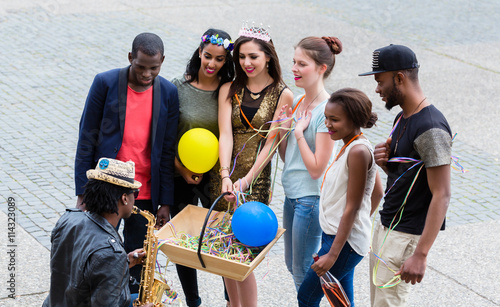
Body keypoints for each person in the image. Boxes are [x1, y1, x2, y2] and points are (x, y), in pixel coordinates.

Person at [74, 32, 179, 293]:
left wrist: (165, 201)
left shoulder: (168, 92)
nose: (146, 74)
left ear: (163, 61)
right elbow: (86, 137)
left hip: (144, 192)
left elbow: (167, 151)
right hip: (106, 187)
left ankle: (131, 299)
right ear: (131, 57)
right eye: (140, 66)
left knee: (139, 260)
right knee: (95, 254)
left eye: (153, 68)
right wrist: (82, 191)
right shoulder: (105, 83)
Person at [359, 44, 452, 306]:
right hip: (386, 228)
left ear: (399, 78)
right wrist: (386, 164)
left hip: (405, 237)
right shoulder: (402, 117)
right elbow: (411, 178)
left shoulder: (431, 127)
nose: (377, 88)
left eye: (380, 81)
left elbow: (442, 194)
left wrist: (420, 254)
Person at [212, 24, 294, 307]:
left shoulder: (284, 94)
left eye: (254, 57)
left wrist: (246, 180)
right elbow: (225, 133)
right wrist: (225, 174)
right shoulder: (229, 88)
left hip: (255, 181)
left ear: (268, 57)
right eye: (242, 57)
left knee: (243, 256)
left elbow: (272, 144)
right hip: (223, 178)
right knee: (224, 253)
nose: (246, 63)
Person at [297, 88, 384, 307]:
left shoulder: (358, 152)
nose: (327, 124)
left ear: (354, 119)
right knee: (342, 302)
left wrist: (333, 255)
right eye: (326, 117)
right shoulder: (351, 145)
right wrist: (359, 221)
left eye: (334, 119)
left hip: (343, 243)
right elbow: (377, 192)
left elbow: (353, 207)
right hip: (340, 238)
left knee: (307, 297)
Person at [170, 28, 235, 307]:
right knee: (183, 241)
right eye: (208, 56)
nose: (212, 64)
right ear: (199, 53)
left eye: (219, 59)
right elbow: (164, 136)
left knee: (223, 240)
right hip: (179, 176)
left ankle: (231, 298)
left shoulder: (228, 90)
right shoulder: (177, 87)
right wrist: (181, 169)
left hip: (215, 178)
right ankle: (192, 301)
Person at [277, 36, 341, 291]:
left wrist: (299, 133)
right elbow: (288, 157)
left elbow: (316, 169)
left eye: (302, 64)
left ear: (321, 68)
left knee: (303, 270)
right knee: (292, 265)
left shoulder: (329, 110)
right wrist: (284, 129)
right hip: (291, 195)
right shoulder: (299, 102)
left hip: (310, 200)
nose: (293, 68)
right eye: (293, 62)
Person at [44, 158, 152, 307]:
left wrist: (123, 263)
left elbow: (82, 272)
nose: (135, 198)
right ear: (124, 198)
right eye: (135, 193)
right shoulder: (111, 253)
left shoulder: (69, 219)